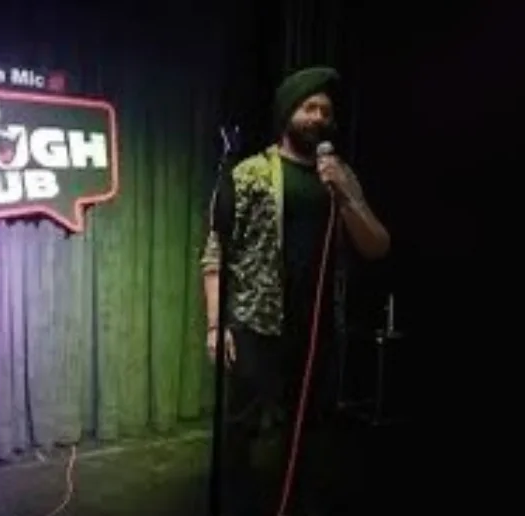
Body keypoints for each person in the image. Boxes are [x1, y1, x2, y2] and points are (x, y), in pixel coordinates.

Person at [201, 66, 390, 515]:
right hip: (256, 322)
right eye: (309, 108)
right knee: (241, 430)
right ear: (287, 113)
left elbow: (377, 245)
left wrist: (346, 195)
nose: (319, 117)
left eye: (325, 110)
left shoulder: (339, 177)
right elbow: (215, 254)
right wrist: (215, 324)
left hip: (317, 327)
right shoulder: (250, 173)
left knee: (307, 432)